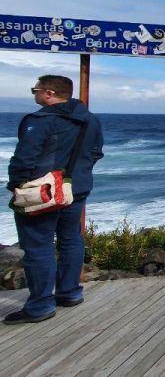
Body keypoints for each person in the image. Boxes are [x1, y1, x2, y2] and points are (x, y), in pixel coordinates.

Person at [4, 75, 103, 325]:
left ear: (48, 93)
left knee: (39, 246)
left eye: (35, 90)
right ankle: (69, 293)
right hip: (76, 188)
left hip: (43, 192)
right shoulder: (89, 119)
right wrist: (76, 175)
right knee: (71, 240)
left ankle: (40, 306)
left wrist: (17, 185)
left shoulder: (40, 120)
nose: (34, 95)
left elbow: (24, 158)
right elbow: (95, 152)